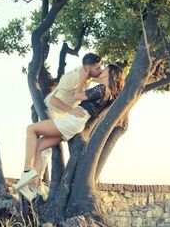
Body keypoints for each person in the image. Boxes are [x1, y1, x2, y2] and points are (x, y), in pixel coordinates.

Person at [12, 64, 124, 202]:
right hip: (76, 123)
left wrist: (82, 78)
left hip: (74, 120)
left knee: (31, 129)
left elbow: (77, 96)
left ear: (110, 74)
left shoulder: (102, 88)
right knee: (40, 146)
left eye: (105, 68)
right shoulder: (107, 93)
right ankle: (32, 187)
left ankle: (27, 170)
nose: (102, 70)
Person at [34, 53, 103, 198]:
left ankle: (40, 183)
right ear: (88, 68)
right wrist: (71, 110)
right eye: (98, 68)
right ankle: (36, 184)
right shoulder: (72, 78)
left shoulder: (86, 76)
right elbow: (53, 101)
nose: (100, 70)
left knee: (51, 147)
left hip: (65, 114)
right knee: (45, 148)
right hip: (53, 110)